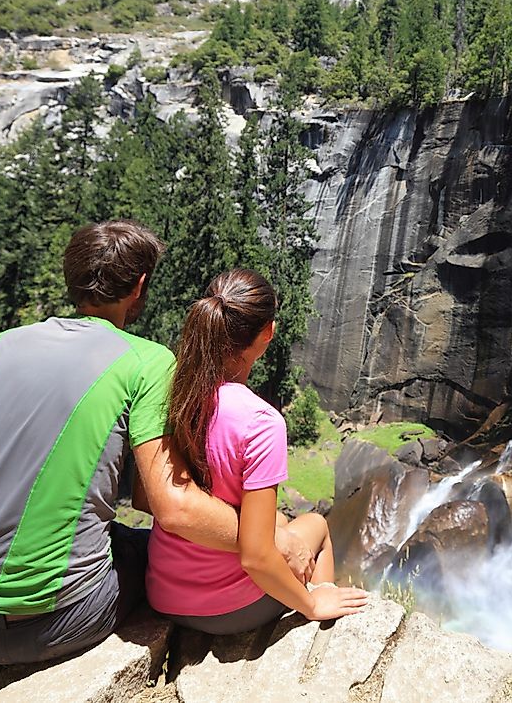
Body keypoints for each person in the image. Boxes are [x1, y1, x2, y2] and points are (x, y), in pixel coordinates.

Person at [0, 220, 312, 664]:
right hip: (60, 622)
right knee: (149, 551)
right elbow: (175, 507)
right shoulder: (146, 361)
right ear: (140, 286)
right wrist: (273, 536)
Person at [146, 267, 368, 632]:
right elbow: (255, 555)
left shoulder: (178, 394)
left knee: (283, 523)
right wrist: (310, 603)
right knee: (316, 524)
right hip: (227, 609)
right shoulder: (261, 422)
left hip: (163, 593)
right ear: (268, 332)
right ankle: (323, 603)